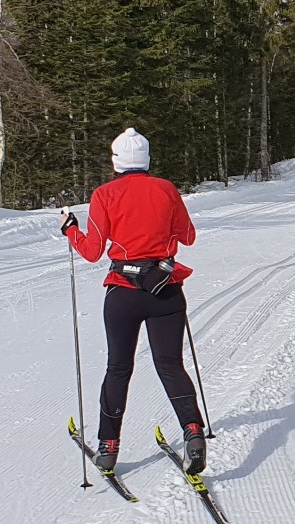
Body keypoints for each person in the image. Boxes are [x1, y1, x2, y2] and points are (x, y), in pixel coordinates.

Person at [59, 127, 205, 474]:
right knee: (170, 365)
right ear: (147, 159)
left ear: (116, 161)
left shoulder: (104, 194)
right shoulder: (166, 189)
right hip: (165, 289)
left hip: (123, 292)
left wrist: (70, 230)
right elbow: (188, 236)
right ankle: (194, 432)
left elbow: (92, 251)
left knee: (118, 368)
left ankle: (108, 448)